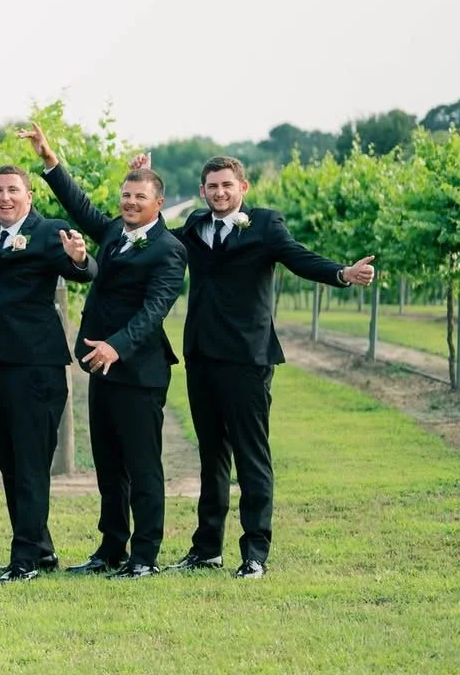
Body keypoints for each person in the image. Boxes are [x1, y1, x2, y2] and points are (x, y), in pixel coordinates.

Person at [132, 151, 376, 579]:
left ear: (242, 188)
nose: (220, 193)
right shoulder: (193, 227)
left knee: (251, 458)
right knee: (211, 457)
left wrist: (341, 273)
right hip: (202, 356)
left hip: (248, 358)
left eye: (227, 185)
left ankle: (255, 553)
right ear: (203, 191)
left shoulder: (265, 224)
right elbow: (152, 237)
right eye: (212, 186)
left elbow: (298, 257)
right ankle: (207, 548)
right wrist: (144, 181)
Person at [0, 110, 95, 582]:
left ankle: (24, 558)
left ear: (29, 196)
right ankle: (41, 548)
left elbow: (82, 271)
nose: (4, 198)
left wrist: (80, 259)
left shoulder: (48, 232)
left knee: (30, 466)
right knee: (10, 464)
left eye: (13, 191)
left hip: (39, 369)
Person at [26, 123, 186, 579]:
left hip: (140, 371)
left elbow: (154, 311)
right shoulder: (115, 231)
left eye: (140, 198)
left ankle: (145, 556)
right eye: (126, 196)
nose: (129, 203)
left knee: (142, 468)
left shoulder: (169, 251)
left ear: (158, 204)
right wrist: (49, 159)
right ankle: (111, 548)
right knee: (109, 467)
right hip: (101, 368)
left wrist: (117, 347)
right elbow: (79, 206)